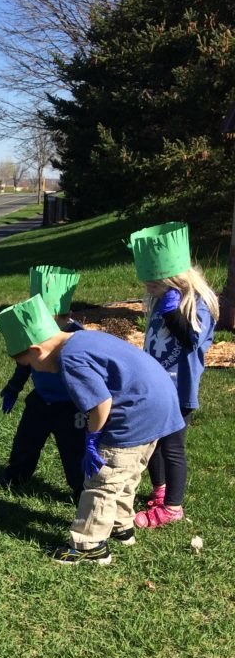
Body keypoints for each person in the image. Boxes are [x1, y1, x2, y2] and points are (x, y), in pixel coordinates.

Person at [0, 294, 185, 565]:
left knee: (102, 479)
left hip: (135, 413)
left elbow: (100, 404)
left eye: (30, 365)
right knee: (126, 473)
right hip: (159, 409)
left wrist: (92, 440)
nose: (34, 371)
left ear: (37, 350)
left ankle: (89, 545)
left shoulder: (69, 359)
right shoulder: (81, 338)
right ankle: (121, 525)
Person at [127, 222, 218, 528]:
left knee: (172, 447)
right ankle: (161, 490)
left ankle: (173, 507)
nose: (148, 289)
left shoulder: (197, 304)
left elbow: (190, 341)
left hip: (179, 391)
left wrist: (172, 312)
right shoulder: (161, 301)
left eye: (153, 284)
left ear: (172, 278)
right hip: (154, 388)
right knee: (152, 443)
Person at [0, 265, 85, 501]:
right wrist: (13, 388)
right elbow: (24, 364)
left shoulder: (76, 338)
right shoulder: (35, 334)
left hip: (70, 406)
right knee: (25, 441)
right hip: (41, 400)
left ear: (63, 317)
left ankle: (81, 488)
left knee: (74, 450)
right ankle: (16, 475)